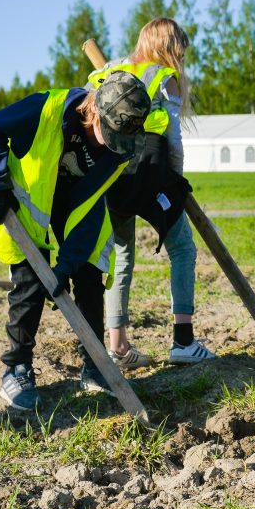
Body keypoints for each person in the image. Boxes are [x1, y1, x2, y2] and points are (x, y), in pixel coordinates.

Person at [0, 72, 150, 412]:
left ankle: (95, 365)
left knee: (88, 277)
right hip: (29, 203)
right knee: (29, 282)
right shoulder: (48, 108)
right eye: (108, 134)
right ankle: (17, 368)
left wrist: (65, 268)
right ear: (95, 112)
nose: (108, 144)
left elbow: (87, 214)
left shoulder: (120, 149)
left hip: (75, 210)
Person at [87, 18, 214, 368]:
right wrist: (178, 182)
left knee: (121, 256)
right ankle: (184, 342)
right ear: (169, 48)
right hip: (150, 174)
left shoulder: (110, 72)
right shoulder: (162, 78)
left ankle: (118, 346)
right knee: (183, 249)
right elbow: (173, 138)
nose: (182, 60)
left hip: (112, 175)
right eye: (181, 52)